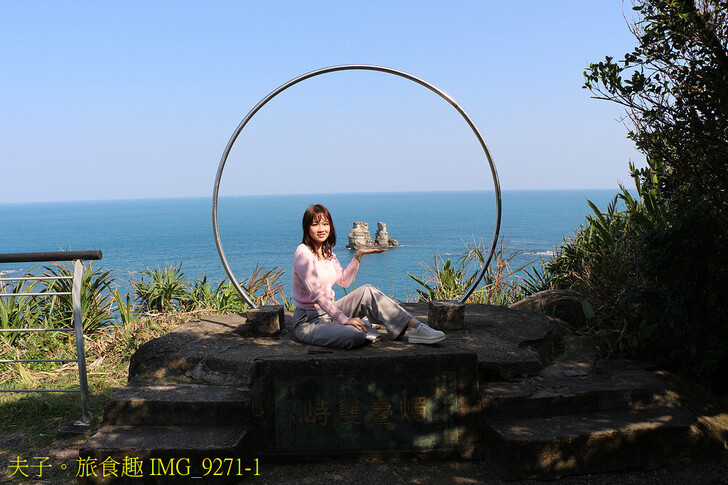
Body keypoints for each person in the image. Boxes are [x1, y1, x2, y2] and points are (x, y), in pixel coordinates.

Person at [291, 204, 445, 349]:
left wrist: (358, 255)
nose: (321, 229)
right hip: (309, 321)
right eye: (315, 224)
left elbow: (344, 281)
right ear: (307, 227)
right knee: (355, 335)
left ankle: (417, 327)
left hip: (330, 313)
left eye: (325, 224)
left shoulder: (327, 253)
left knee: (368, 291)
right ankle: (358, 328)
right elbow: (317, 294)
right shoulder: (303, 254)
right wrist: (345, 320)